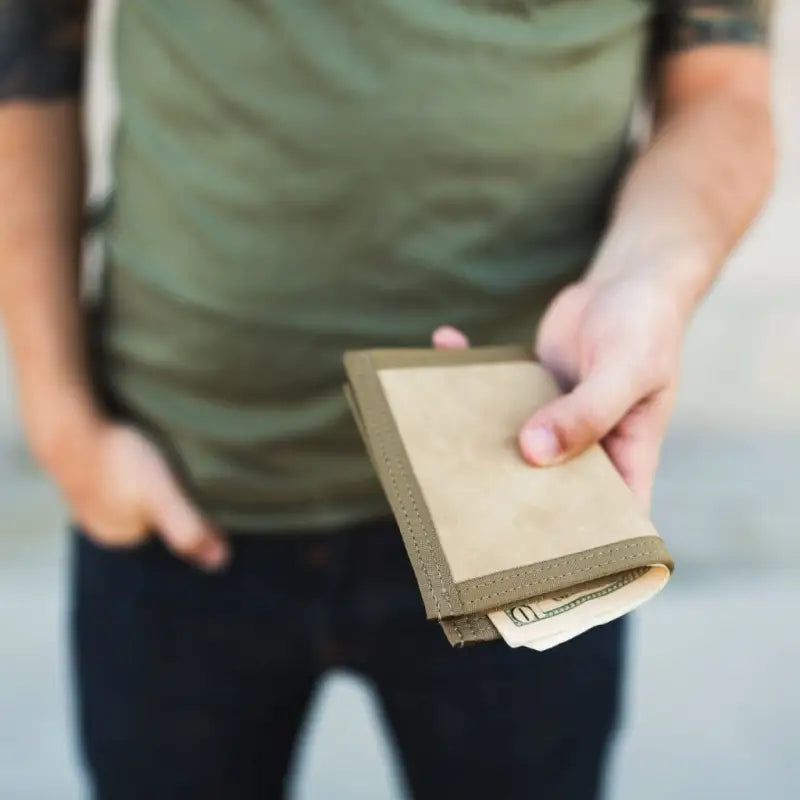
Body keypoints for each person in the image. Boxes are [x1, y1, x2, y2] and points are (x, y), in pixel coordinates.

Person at [0, 1, 773, 798]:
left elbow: (724, 88)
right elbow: (26, 46)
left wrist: (648, 280)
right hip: (180, 475)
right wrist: (63, 426)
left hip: (526, 494)